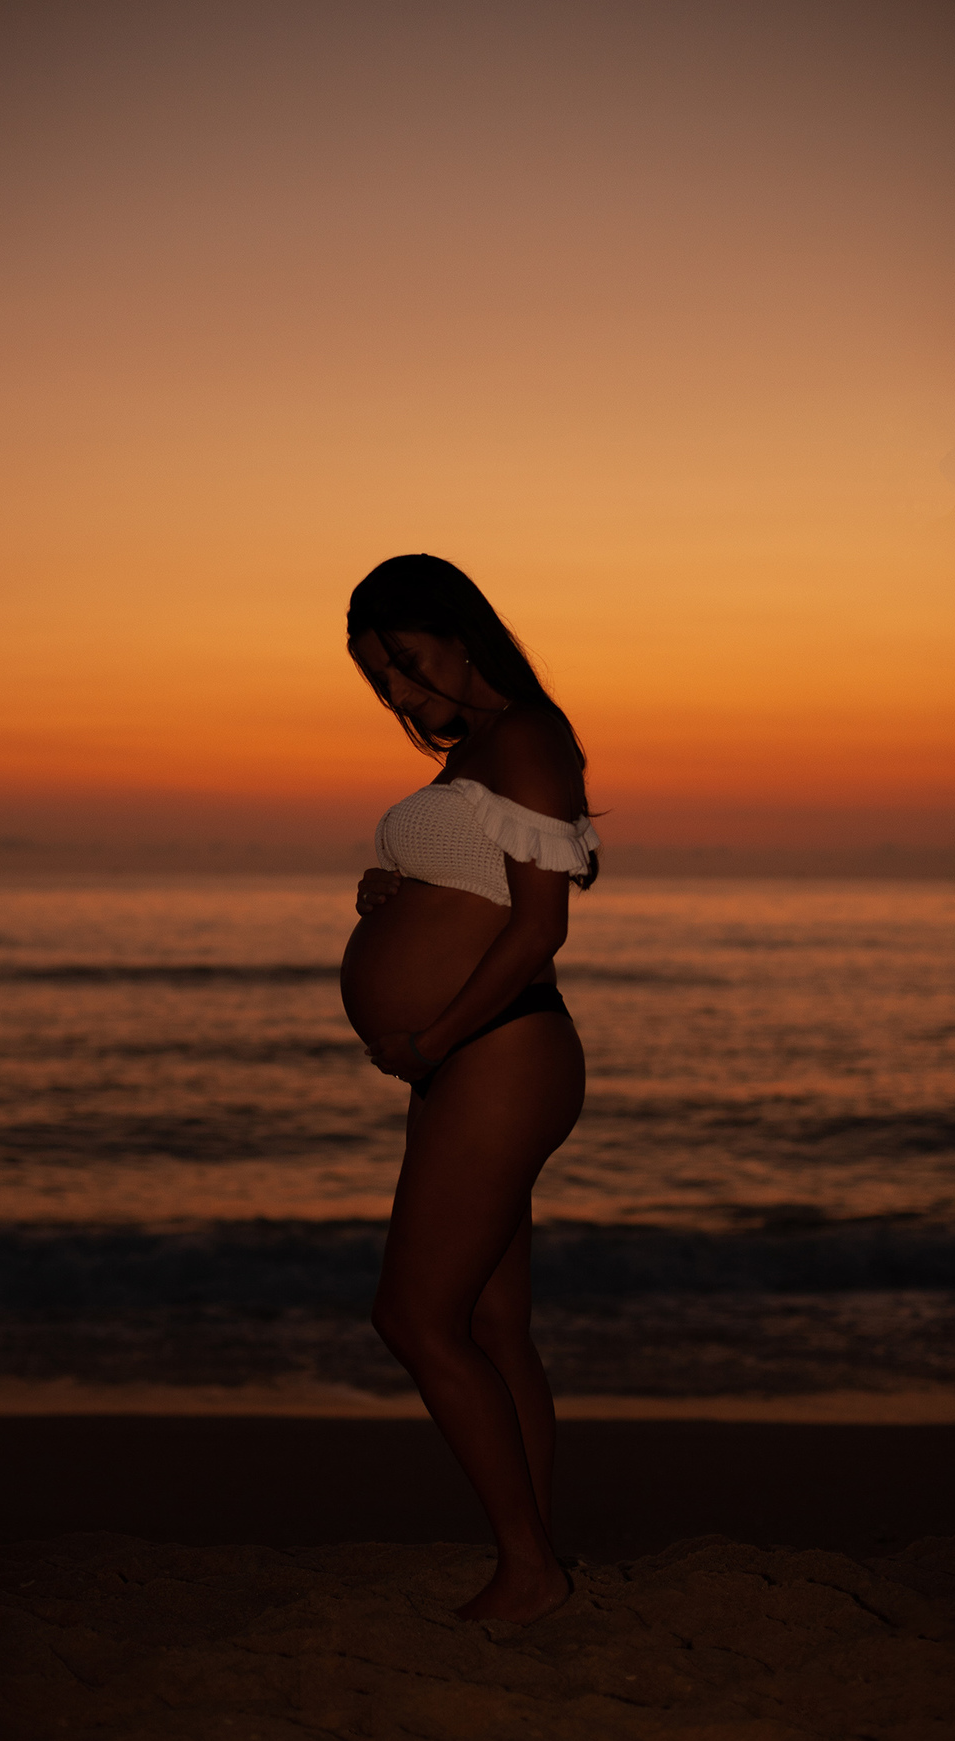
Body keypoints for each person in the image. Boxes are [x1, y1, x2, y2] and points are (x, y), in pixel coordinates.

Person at [339, 553, 600, 1623]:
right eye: (379, 679)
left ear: (459, 633)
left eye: (404, 661)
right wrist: (397, 891)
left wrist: (437, 1032)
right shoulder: (486, 753)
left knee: (414, 1317)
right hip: (474, 1056)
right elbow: (490, 888)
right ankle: (536, 1557)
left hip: (494, 1052)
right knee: (493, 1327)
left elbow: (544, 923)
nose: (399, 692)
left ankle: (528, 1568)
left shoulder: (528, 735)